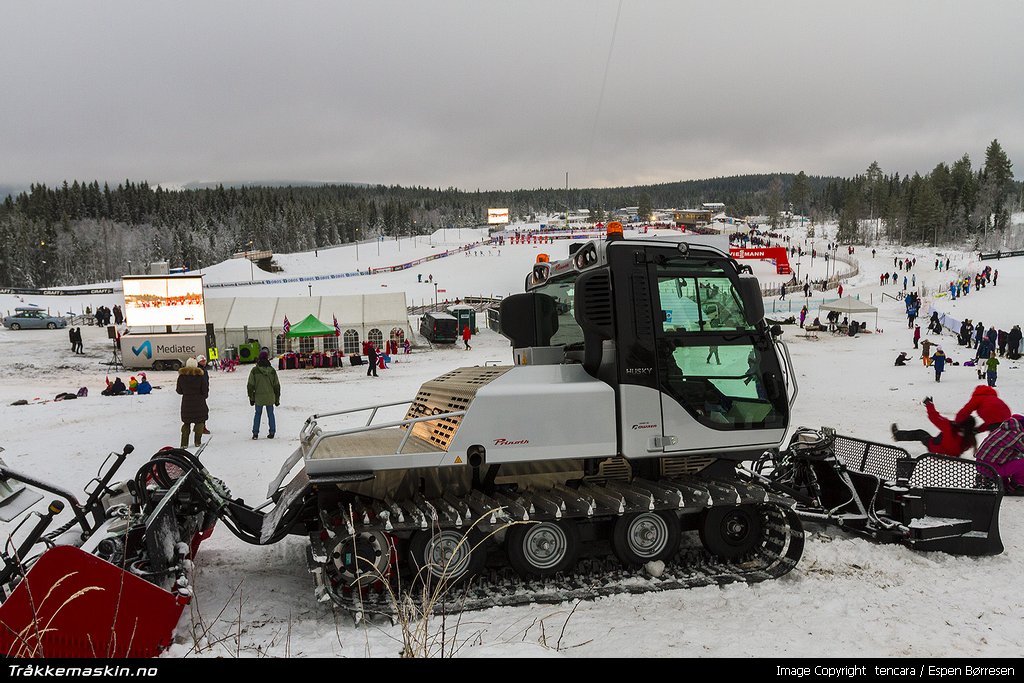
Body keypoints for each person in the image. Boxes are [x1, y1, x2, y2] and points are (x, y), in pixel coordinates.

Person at [891, 397, 976, 457]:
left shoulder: (950, 427)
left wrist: (929, 404)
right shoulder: (970, 436)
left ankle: (897, 435)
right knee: (941, 437)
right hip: (953, 455)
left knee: (920, 433)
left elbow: (934, 417)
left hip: (937, 450)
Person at [974, 414, 1024, 492]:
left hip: (981, 465)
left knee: (1004, 486)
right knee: (1022, 463)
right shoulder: (1017, 435)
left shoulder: (1000, 430)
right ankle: (1018, 485)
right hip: (992, 468)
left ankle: (987, 479)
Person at [176, 358, 208, 449]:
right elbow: (205, 389)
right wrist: (203, 397)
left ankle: (184, 443)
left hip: (186, 403)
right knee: (200, 422)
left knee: (186, 423)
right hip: (199, 402)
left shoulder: (181, 377)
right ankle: (197, 442)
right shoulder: (200, 376)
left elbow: (179, 390)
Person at [247, 350, 280, 439]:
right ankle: (272, 432)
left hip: (259, 397)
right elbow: (276, 386)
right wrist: (277, 399)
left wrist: (251, 397)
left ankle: (255, 433)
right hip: (270, 397)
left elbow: (250, 385)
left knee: (257, 414)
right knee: (270, 414)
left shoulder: (254, 370)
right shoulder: (272, 371)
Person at [197, 355, 212, 434]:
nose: (204, 362)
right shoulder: (198, 370)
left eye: (204, 361)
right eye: (202, 361)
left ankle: (201, 427)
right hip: (200, 394)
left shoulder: (204, 369)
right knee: (202, 411)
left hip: (203, 393)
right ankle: (201, 427)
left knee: (203, 411)